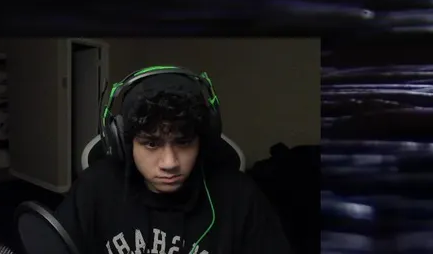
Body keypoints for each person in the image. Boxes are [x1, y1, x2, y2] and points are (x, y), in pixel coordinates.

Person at [55, 66, 293, 254]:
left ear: (203, 140)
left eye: (184, 142)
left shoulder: (240, 198)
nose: (169, 163)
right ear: (123, 143)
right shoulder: (96, 187)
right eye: (151, 144)